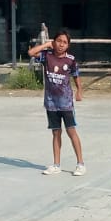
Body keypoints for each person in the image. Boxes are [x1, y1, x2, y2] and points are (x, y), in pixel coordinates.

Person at [28, 30, 85, 175]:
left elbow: (76, 76)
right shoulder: (47, 56)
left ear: (68, 45)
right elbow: (31, 53)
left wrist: (79, 91)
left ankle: (80, 164)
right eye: (59, 41)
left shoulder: (70, 60)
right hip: (51, 102)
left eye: (64, 42)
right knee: (56, 133)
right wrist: (46, 45)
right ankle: (56, 165)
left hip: (65, 103)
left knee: (71, 131)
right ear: (54, 42)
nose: (61, 45)